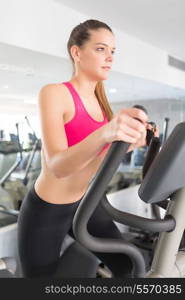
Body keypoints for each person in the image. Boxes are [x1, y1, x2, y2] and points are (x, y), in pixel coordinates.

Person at [18, 19, 152, 278]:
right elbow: (58, 166)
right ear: (76, 52)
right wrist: (106, 132)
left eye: (113, 51)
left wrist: (129, 144)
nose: (110, 57)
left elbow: (93, 162)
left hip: (84, 204)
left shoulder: (102, 104)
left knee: (132, 267)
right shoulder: (55, 93)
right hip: (46, 210)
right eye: (101, 49)